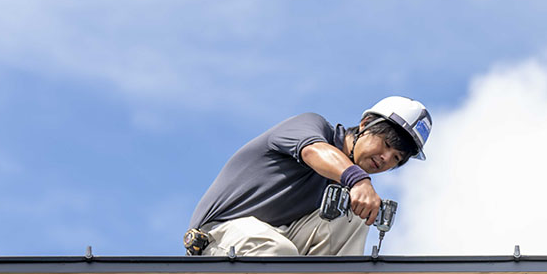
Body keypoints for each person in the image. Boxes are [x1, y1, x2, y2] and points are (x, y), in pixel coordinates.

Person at [184, 96, 432, 256]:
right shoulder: (313, 127)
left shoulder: (341, 187)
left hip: (281, 242)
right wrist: (358, 180)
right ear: (365, 124)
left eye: (397, 158)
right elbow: (313, 151)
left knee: (351, 216)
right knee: (277, 250)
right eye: (386, 144)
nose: (387, 158)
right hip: (220, 236)